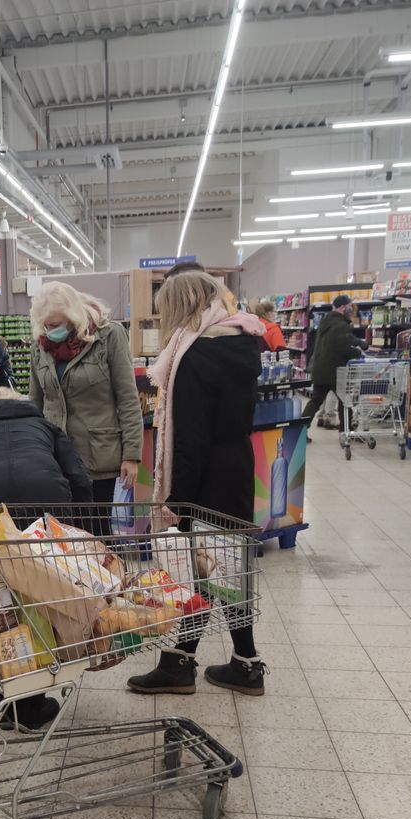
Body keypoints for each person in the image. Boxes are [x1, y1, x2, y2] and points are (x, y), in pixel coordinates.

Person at [126, 270, 269, 696]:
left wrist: (177, 503)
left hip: (205, 478)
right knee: (222, 570)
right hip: (236, 469)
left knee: (198, 573)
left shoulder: (194, 357)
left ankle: (181, 665)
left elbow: (190, 439)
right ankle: (241, 664)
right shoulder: (241, 343)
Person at [0, 386, 93, 728]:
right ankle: (31, 697)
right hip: (45, 500)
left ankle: (13, 696)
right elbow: (79, 477)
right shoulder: (43, 425)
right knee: (38, 593)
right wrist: (84, 535)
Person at [28, 281, 143, 514]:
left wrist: (131, 456)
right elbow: (35, 404)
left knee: (97, 532)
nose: (50, 331)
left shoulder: (108, 336)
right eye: (45, 325)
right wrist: (32, 451)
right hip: (55, 459)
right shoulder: (39, 348)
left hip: (98, 457)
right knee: (63, 535)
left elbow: (128, 398)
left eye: (56, 324)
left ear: (73, 317)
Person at [302, 294, 365, 430]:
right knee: (345, 400)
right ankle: (346, 431)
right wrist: (358, 352)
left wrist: (360, 343)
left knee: (315, 401)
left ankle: (300, 431)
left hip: (320, 369)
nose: (351, 308)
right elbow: (343, 348)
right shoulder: (341, 324)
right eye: (349, 306)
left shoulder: (326, 321)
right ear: (343, 307)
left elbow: (344, 340)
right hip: (335, 371)